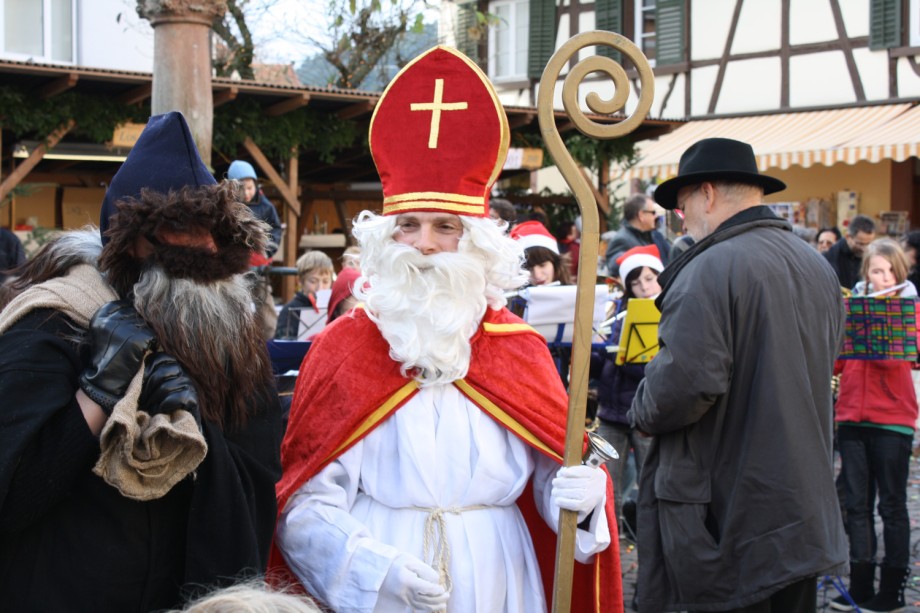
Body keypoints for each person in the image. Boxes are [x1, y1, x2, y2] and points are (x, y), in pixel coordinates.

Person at [269, 45, 622, 613]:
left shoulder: (518, 350)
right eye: (408, 225)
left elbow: (547, 486)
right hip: (381, 585)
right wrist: (376, 570)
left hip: (500, 578)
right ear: (386, 238)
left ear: (476, 241)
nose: (425, 245)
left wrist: (581, 502)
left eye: (445, 226)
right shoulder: (343, 349)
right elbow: (304, 508)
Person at [0, 112, 283, 611]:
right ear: (131, 240)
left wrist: (197, 433)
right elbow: (11, 494)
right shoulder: (54, 321)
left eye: (216, 230)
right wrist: (96, 394)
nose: (207, 246)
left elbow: (258, 479)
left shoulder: (235, 341)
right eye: (183, 227)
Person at [627, 137, 848, 611]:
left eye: (682, 207)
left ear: (706, 194)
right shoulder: (815, 263)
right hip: (799, 507)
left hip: (732, 513)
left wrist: (640, 407)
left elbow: (682, 388)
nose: (682, 220)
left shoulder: (708, 268)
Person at [831, 238, 918, 613]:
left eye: (889, 272)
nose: (883, 278)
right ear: (865, 273)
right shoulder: (852, 308)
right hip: (852, 417)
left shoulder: (911, 311)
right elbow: (838, 362)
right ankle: (861, 585)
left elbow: (908, 358)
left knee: (892, 507)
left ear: (900, 275)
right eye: (876, 271)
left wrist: (887, 326)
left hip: (893, 421)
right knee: (857, 506)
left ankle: (892, 590)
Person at [592, 245, 662, 535]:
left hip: (645, 411)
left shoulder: (666, 312)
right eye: (635, 282)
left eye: (649, 279)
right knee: (608, 481)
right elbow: (601, 372)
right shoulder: (618, 312)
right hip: (612, 411)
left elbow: (649, 368)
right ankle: (613, 538)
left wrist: (617, 355)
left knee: (650, 480)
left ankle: (649, 538)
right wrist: (593, 351)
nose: (643, 287)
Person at [228, 159, 285, 339]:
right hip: (235, 268)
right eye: (241, 188)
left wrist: (267, 251)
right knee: (235, 309)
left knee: (266, 311)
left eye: (249, 187)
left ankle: (271, 343)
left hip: (259, 267)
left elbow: (275, 230)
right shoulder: (227, 207)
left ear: (255, 185)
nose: (246, 193)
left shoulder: (265, 206)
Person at [603, 194, 671, 277]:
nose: (656, 216)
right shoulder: (621, 239)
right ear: (641, 215)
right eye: (653, 212)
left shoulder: (655, 236)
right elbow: (614, 267)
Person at [274, 250, 334, 340]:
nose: (320, 288)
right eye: (313, 281)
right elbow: (281, 343)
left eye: (325, 281)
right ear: (300, 281)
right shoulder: (289, 310)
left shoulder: (334, 308)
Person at [511, 220, 573, 286]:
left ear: (556, 264)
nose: (537, 275)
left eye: (542, 265)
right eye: (528, 269)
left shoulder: (575, 291)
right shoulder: (514, 291)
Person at [825, 215, 876, 290]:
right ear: (848, 237)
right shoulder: (831, 257)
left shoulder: (872, 254)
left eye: (868, 243)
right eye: (860, 244)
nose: (865, 249)